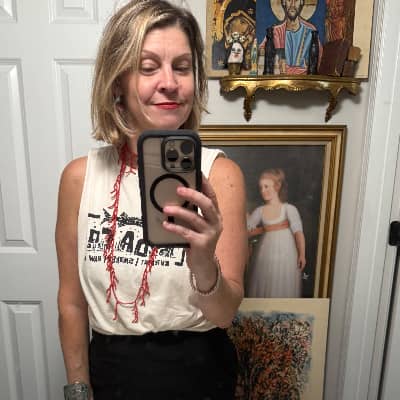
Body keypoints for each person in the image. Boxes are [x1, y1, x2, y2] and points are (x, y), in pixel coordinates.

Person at [55, 1, 248, 399]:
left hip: (199, 376)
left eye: (182, 67)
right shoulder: (79, 178)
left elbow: (224, 314)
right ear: (118, 82)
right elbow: (72, 303)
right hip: (110, 375)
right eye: (148, 67)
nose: (170, 82)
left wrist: (203, 261)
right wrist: (77, 389)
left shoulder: (220, 176)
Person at [246, 169, 306, 298]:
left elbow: (298, 232)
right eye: (261, 187)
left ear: (277, 187)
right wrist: (263, 229)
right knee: (266, 280)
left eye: (266, 186)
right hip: (265, 253)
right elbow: (247, 231)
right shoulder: (259, 211)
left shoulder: (289, 209)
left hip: (287, 253)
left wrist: (302, 254)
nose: (263, 190)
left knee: (283, 281)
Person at [260, 0, 322, 74]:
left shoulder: (311, 32)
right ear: (283, 2)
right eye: (289, 0)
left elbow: (318, 63)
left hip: (304, 80)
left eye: (296, 0)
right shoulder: (275, 32)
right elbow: (262, 57)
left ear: (301, 2)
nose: (292, 5)